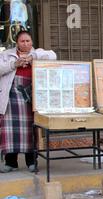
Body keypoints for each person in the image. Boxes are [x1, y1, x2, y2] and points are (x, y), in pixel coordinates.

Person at [0, 30, 57, 173]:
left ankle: (31, 161)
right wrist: (14, 64)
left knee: (30, 130)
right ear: (17, 42)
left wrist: (33, 57)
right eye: (22, 41)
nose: (25, 44)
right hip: (11, 97)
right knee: (9, 131)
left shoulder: (38, 53)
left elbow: (53, 56)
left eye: (28, 41)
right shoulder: (7, 54)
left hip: (30, 97)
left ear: (31, 42)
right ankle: (11, 162)